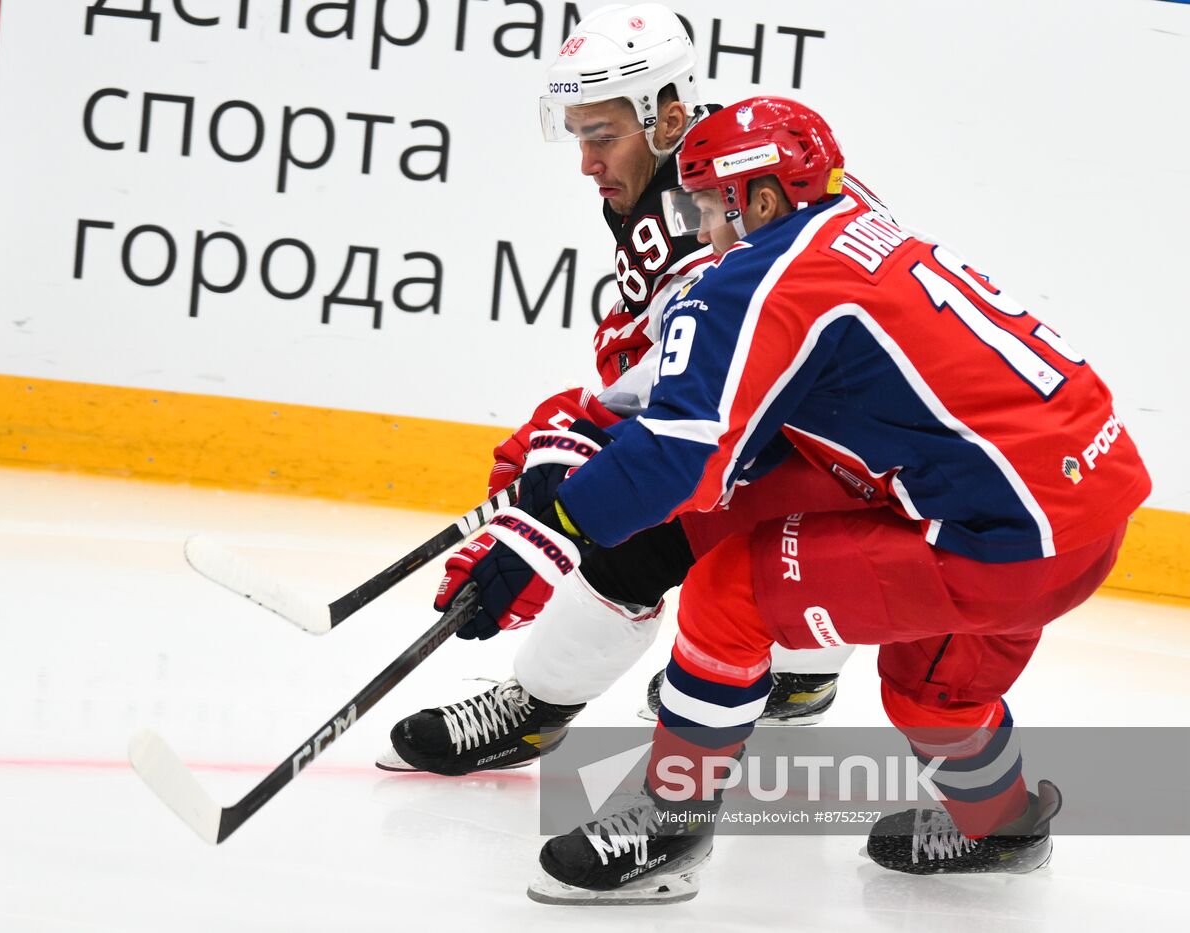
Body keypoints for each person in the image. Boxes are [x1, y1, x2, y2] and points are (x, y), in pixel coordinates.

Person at [447, 97, 1151, 903]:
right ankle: (1003, 823)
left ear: (765, 200)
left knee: (728, 595)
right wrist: (606, 451)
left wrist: (562, 516)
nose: (706, 231)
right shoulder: (858, 216)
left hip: (997, 539)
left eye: (712, 206)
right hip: (1086, 508)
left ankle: (671, 821)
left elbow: (681, 453)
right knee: (933, 688)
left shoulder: (757, 277)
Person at [376, 2, 874, 779]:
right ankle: (803, 666)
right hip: (820, 423)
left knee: (632, 541)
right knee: (662, 517)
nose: (585, 161)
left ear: (668, 116)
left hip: (834, 444)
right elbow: (672, 331)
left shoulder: (706, 201)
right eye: (576, 134)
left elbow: (712, 357)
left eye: (601, 135)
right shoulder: (708, 163)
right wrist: (586, 415)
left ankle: (536, 710)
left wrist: (588, 434)